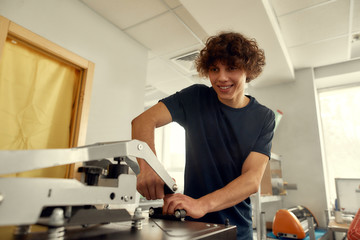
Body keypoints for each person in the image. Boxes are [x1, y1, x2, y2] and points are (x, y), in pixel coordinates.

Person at [131, 31, 275, 240]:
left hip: (237, 230)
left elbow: (251, 179)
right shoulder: (196, 97)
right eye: (214, 69)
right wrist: (148, 166)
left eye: (231, 68)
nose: (221, 77)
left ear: (248, 70)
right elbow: (142, 121)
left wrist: (202, 204)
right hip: (192, 228)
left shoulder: (264, 117)